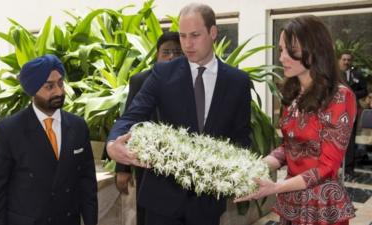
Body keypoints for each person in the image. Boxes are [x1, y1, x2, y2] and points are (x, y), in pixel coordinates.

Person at [106, 3, 251, 225]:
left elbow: (241, 137)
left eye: (195, 35)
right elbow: (132, 115)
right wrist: (113, 143)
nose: (187, 44)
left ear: (213, 33)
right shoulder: (163, 73)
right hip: (162, 200)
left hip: (208, 203)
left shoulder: (237, 82)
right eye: (183, 36)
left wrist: (238, 178)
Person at [234, 15, 357, 225]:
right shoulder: (292, 94)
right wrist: (256, 166)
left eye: (293, 51)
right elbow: (288, 147)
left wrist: (275, 187)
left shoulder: (339, 96)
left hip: (320, 204)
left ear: (315, 50)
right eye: (281, 50)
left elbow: (327, 166)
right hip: (292, 200)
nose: (282, 58)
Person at [0, 54, 98, 225]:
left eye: (60, 83)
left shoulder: (78, 126)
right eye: (49, 86)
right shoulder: (8, 131)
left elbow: (87, 185)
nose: (58, 91)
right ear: (32, 90)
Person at [115, 31, 182, 225]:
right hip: (147, 162)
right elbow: (129, 120)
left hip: (184, 161)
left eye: (177, 52)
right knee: (147, 214)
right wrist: (123, 168)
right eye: (166, 52)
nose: (172, 57)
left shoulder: (193, 79)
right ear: (157, 55)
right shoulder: (141, 80)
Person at [338, 51, 368, 179]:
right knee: (335, 139)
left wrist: (352, 95)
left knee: (349, 141)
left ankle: (349, 170)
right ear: (340, 60)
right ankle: (335, 166)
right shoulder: (334, 75)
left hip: (351, 111)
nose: (346, 62)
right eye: (344, 59)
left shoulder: (357, 75)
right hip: (336, 112)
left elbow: (365, 90)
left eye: (348, 60)